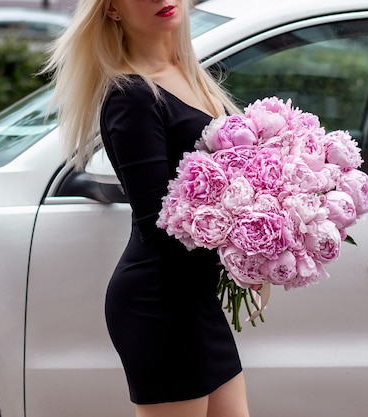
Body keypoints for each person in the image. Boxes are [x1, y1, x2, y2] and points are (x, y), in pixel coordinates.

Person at [43, 1, 250, 416]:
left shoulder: (192, 76)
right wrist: (250, 240)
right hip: (159, 303)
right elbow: (159, 221)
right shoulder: (131, 96)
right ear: (113, 9)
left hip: (196, 298)